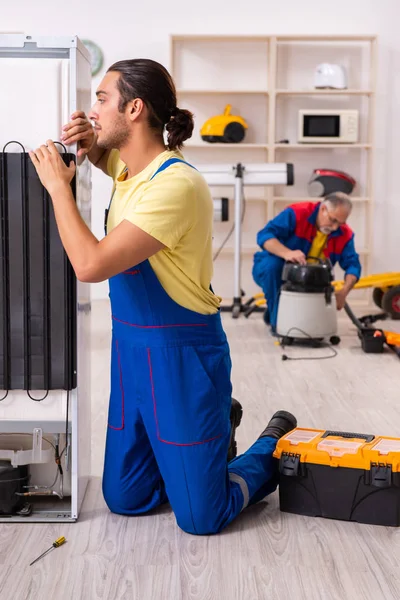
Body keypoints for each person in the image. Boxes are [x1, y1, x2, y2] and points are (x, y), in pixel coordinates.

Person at [29, 58, 297, 535]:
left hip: (182, 357)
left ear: (134, 109)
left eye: (102, 100)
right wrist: (91, 145)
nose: (91, 111)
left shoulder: (175, 184)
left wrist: (57, 189)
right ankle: (211, 438)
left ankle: (270, 447)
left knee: (201, 517)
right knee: (125, 499)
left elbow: (89, 265)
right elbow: (113, 162)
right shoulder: (132, 171)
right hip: (132, 355)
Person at [253, 193, 362, 332]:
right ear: (323, 209)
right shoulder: (297, 213)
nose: (335, 228)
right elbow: (264, 235)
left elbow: (353, 265)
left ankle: (279, 311)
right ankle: (279, 325)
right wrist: (287, 253)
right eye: (333, 220)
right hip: (277, 271)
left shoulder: (345, 234)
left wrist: (344, 292)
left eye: (340, 223)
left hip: (312, 280)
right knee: (273, 266)